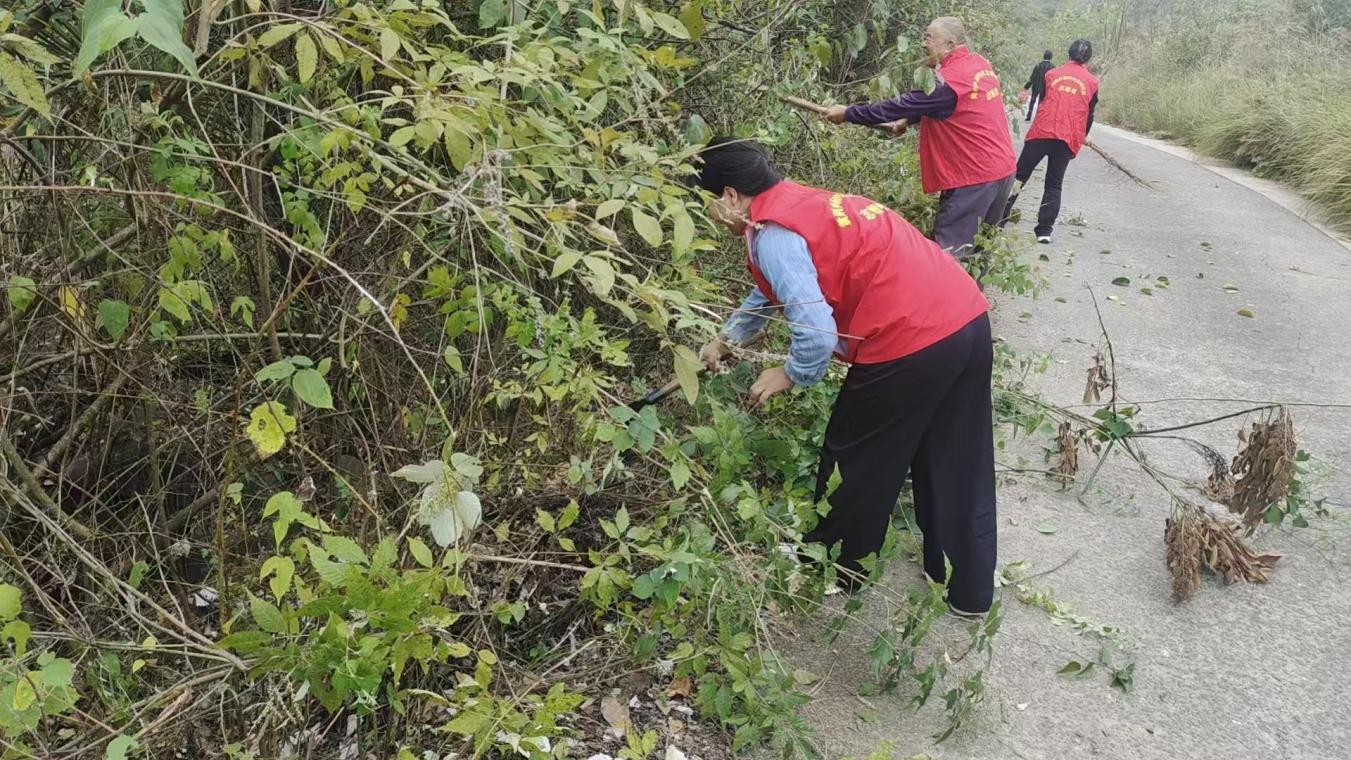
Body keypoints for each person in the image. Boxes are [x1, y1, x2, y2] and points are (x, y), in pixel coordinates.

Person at [693, 137, 998, 616]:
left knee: (855, 459)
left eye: (709, 201)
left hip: (909, 338)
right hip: (966, 318)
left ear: (730, 196)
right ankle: (967, 590)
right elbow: (780, 292)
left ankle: (834, 571)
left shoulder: (773, 235)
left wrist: (788, 374)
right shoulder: (800, 201)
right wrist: (726, 339)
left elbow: (815, 335)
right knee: (957, 454)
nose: (712, 213)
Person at [823, 16, 1016, 261]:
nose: (923, 43)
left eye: (928, 37)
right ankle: (973, 298)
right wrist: (910, 118)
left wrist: (848, 113)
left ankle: (943, 298)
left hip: (974, 178)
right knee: (981, 251)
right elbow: (952, 106)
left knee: (949, 255)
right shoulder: (978, 64)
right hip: (1002, 171)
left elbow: (900, 105)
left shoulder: (948, 81)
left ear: (948, 44)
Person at [1003, 39, 1099, 244]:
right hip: (1066, 137)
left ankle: (999, 220)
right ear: (1089, 59)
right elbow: (1088, 114)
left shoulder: (1052, 74)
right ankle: (1044, 231)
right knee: (1054, 184)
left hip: (1041, 131)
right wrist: (1085, 134)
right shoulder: (1092, 82)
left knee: (1019, 176)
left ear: (1068, 54)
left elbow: (1046, 100)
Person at [1022, 50, 1055, 121]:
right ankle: (1037, 117)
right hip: (1044, 87)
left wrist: (1026, 86)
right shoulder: (1052, 67)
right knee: (1041, 102)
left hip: (1036, 86)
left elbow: (1032, 77)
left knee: (1032, 100)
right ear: (1051, 57)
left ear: (1044, 56)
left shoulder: (1038, 65)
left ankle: (1029, 116)